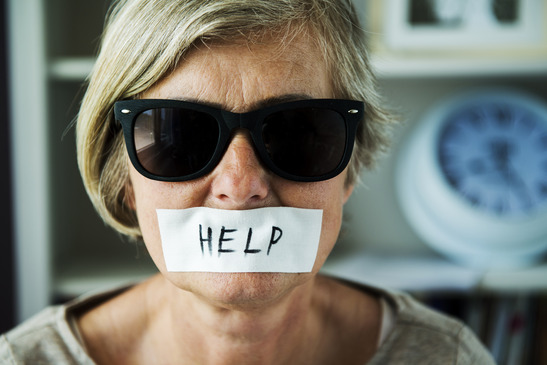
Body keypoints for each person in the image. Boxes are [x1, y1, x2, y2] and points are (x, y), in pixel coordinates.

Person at [1, 0, 496, 363]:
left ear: (350, 167)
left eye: (298, 132)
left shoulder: (445, 356)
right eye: (180, 137)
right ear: (124, 177)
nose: (240, 186)